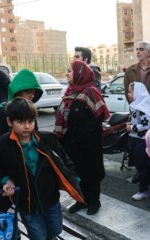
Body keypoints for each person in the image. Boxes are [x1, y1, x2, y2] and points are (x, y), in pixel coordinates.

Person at [0, 97, 84, 240]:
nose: (27, 126)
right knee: (37, 235)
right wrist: (7, 181)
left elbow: (64, 160)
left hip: (51, 199)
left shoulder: (48, 139)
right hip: (27, 203)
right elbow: (1, 168)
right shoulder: (3, 144)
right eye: (21, 121)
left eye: (30, 121)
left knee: (56, 228)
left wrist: (72, 177)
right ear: (9, 122)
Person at [0, 69, 43, 216]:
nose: (32, 95)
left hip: (22, 166)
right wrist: (7, 174)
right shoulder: (1, 111)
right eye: (28, 91)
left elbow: (35, 139)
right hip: (2, 168)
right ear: (17, 91)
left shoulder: (29, 110)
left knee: (10, 199)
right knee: (4, 200)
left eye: (34, 92)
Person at [55, 60, 110, 215]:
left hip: (88, 143)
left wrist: (82, 134)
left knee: (91, 173)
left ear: (79, 74)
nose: (66, 74)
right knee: (77, 173)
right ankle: (81, 200)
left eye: (69, 71)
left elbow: (99, 117)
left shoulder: (91, 92)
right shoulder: (69, 92)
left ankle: (94, 202)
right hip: (71, 142)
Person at [126, 82, 150, 200]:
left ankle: (144, 190)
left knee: (142, 166)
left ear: (138, 93)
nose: (128, 94)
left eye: (130, 92)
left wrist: (131, 128)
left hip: (142, 141)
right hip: (137, 139)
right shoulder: (137, 105)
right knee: (145, 165)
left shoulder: (143, 108)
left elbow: (145, 125)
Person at [124, 41, 150, 108]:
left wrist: (149, 108)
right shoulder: (129, 71)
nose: (138, 52)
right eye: (137, 49)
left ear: (149, 53)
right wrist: (136, 107)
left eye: (141, 49)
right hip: (136, 112)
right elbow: (127, 92)